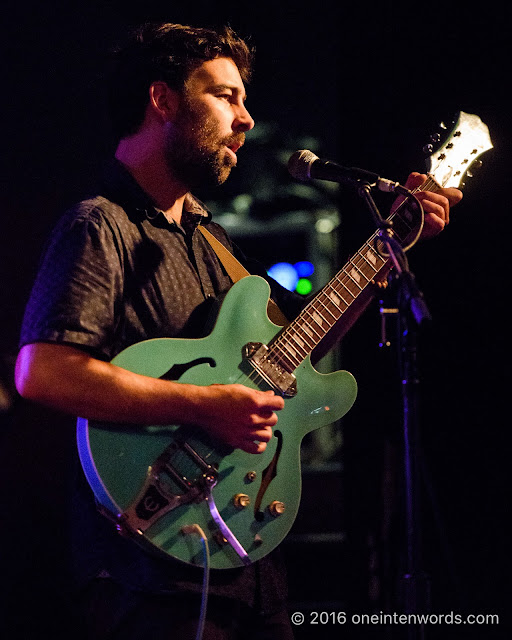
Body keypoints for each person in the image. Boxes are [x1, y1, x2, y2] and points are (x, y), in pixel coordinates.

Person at [14, 22, 462, 640]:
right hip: (145, 569)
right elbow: (42, 371)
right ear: (162, 99)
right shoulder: (101, 224)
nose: (246, 117)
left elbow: (297, 351)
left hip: (242, 555)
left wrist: (390, 246)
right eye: (225, 95)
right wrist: (205, 406)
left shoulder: (211, 240)